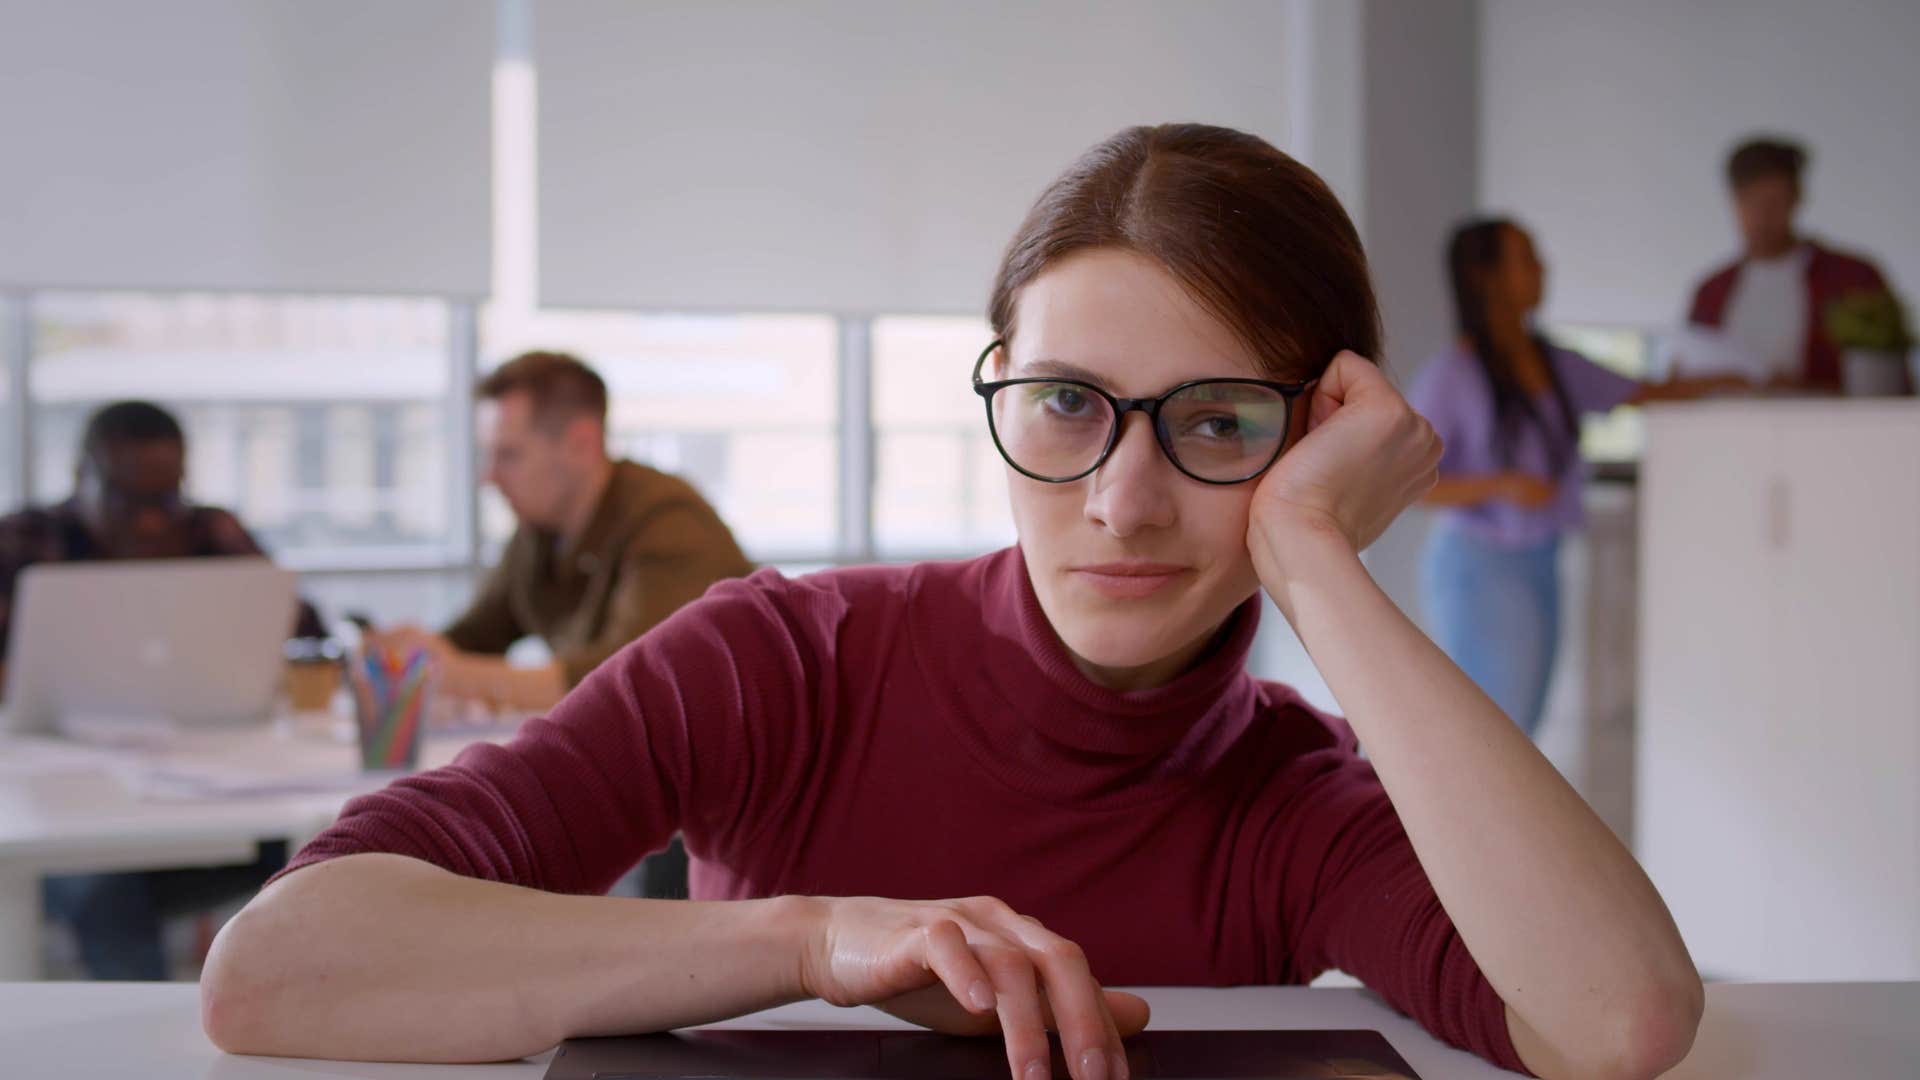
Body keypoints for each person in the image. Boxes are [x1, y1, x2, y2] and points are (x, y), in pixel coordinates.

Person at [203, 126, 1703, 1080]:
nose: (1122, 499)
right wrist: (811, 947)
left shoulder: (1289, 799)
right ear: (996, 390)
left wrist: (1316, 559)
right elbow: (280, 968)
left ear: (1319, 438)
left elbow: (1619, 1022)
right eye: (1065, 404)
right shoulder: (783, 658)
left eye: (1222, 422)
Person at [0, 400, 324, 980]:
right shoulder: (22, 542)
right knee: (106, 890)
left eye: (165, 499)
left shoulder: (212, 532)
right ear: (81, 481)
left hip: (207, 794)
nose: (152, 522)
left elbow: (305, 637)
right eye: (128, 500)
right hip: (60, 808)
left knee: (330, 856)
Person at [1414, 219, 1739, 740]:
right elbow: (1412, 485)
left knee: (1525, 723)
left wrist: (1738, 379)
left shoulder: (1552, 361)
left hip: (1541, 558)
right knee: (1495, 733)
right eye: (1526, 259)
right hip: (1481, 567)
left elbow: (1645, 392)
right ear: (1485, 276)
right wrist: (1501, 484)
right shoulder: (1452, 375)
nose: (1542, 270)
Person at [363, 351, 753, 714]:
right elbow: (478, 635)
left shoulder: (669, 521)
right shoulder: (540, 529)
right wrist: (409, 654)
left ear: (581, 444)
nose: (489, 478)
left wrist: (452, 674)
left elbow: (631, 681)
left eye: (509, 455)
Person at [1687, 136, 1906, 393]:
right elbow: (1689, 376)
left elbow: (1887, 386)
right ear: (1735, 201)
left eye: (1774, 202)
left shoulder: (1852, 279)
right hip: (1728, 428)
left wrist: (1804, 390)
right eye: (1751, 201)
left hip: (1829, 428)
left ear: (1796, 199)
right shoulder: (1711, 292)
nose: (1763, 216)